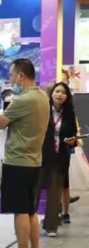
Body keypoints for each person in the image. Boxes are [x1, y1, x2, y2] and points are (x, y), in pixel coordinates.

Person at [0, 59, 49, 248]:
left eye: (11, 75)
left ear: (21, 76)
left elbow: (0, 123)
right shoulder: (42, 97)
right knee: (30, 209)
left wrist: (2, 111)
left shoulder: (23, 100)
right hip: (34, 161)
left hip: (17, 161)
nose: (10, 80)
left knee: (20, 210)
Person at [39, 82, 79, 237]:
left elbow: (74, 137)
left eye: (63, 92)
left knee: (55, 193)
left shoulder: (69, 114)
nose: (59, 95)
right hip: (42, 156)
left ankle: (51, 226)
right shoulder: (43, 110)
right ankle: (29, 222)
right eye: (57, 91)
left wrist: (72, 141)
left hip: (60, 156)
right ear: (51, 94)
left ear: (67, 96)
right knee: (35, 191)